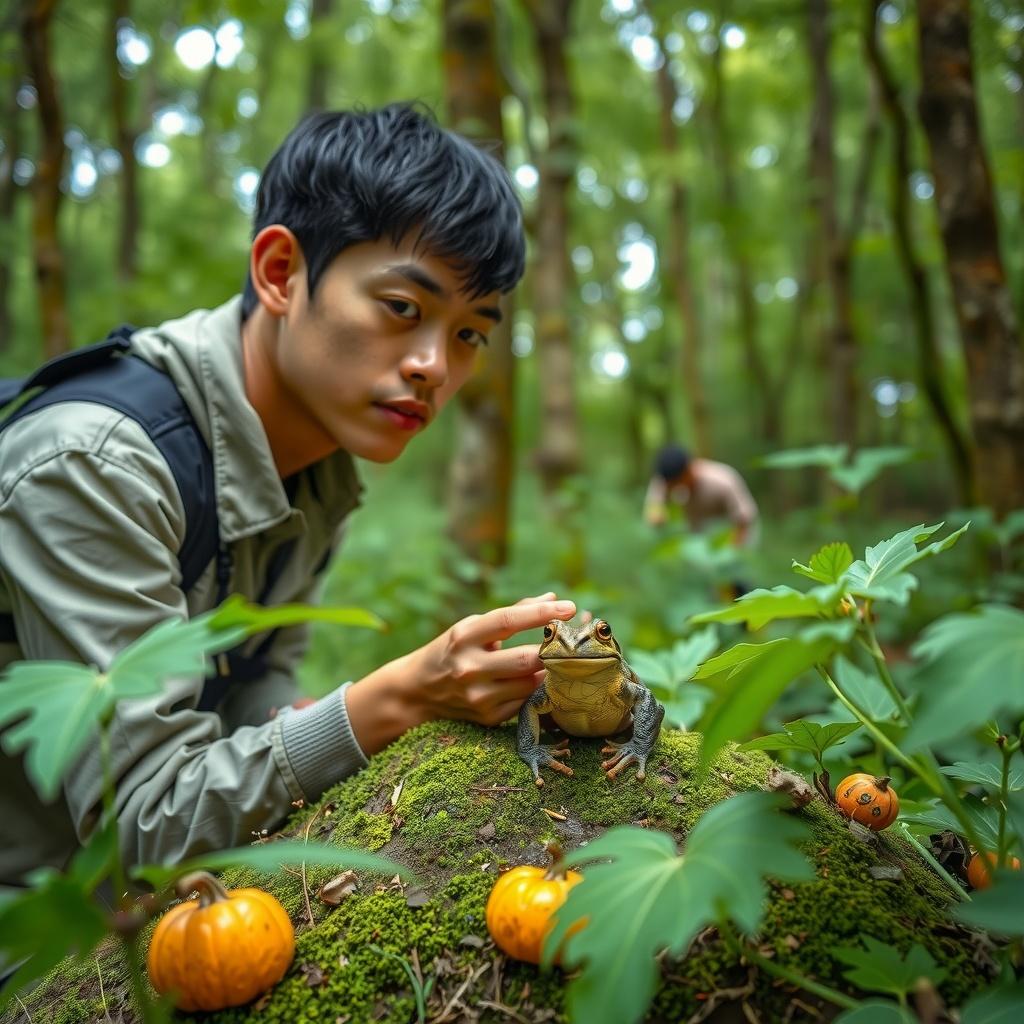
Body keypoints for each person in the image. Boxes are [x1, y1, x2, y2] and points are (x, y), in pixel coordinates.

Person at [0, 104, 576, 890]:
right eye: (403, 309)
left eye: (470, 333)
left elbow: (252, 678)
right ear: (280, 273)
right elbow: (141, 823)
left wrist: (305, 716)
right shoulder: (97, 465)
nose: (433, 365)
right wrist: (396, 698)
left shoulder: (314, 464)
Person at [643, 444, 759, 547]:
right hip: (698, 533)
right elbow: (654, 510)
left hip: (732, 528)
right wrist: (657, 515)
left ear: (689, 469)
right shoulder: (666, 480)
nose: (673, 488)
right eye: (670, 485)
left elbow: (744, 520)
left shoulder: (722, 480)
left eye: (676, 483)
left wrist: (733, 550)